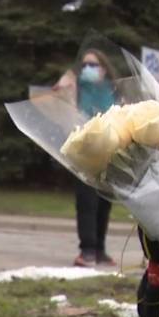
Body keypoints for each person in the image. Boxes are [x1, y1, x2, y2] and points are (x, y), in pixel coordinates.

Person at [54, 49, 119, 267]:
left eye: (93, 65)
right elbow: (61, 93)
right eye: (84, 66)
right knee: (87, 202)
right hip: (84, 152)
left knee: (104, 203)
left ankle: (100, 249)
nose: (87, 70)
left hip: (108, 153)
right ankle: (88, 249)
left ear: (103, 68)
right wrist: (68, 79)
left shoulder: (113, 89)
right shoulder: (77, 88)